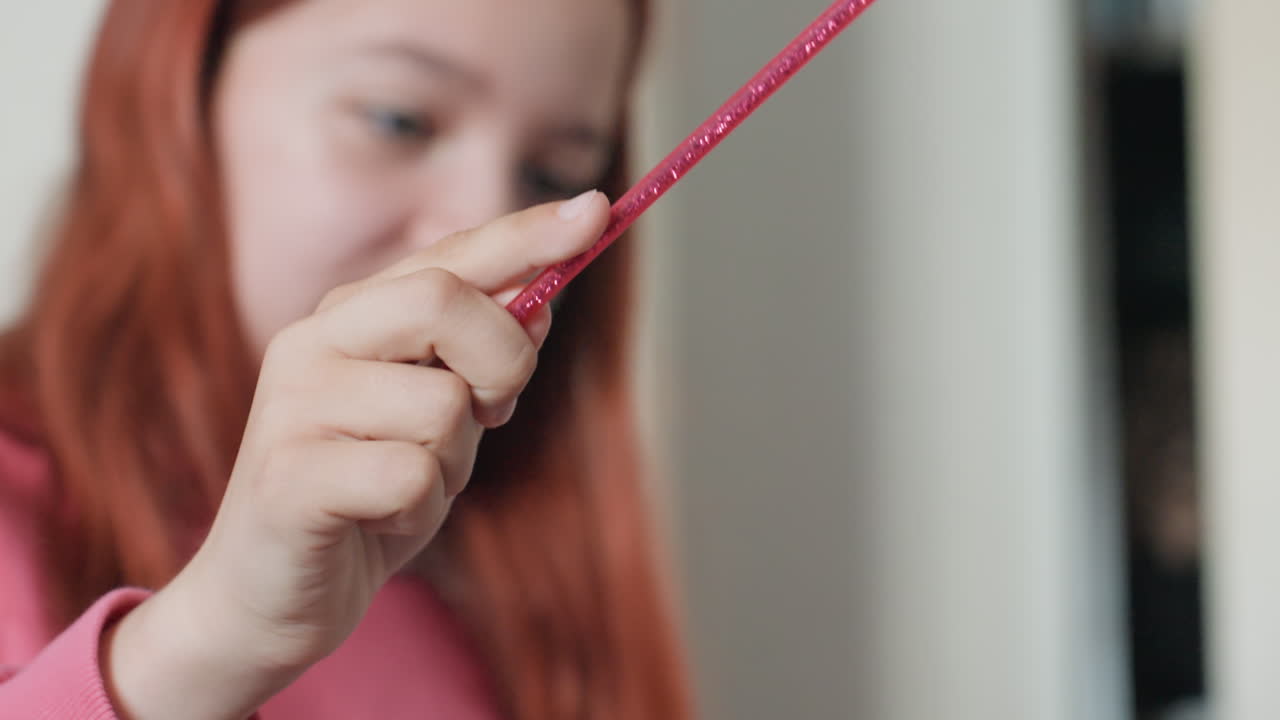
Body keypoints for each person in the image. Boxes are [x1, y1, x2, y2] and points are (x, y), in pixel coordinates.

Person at [0, 1, 693, 718]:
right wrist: (200, 644)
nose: (484, 223)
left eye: (553, 175)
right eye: (399, 120)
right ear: (181, 87)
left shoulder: (513, 579)